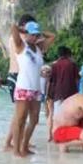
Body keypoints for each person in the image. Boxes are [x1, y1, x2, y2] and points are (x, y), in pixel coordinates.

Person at [9, 20, 54, 157]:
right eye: (32, 35)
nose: (35, 37)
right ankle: (16, 150)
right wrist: (23, 30)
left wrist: (39, 32)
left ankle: (24, 146)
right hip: (23, 87)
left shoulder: (39, 48)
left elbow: (52, 36)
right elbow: (13, 28)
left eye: (36, 35)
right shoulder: (21, 46)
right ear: (26, 34)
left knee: (34, 120)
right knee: (20, 119)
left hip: (36, 89)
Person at [48, 46, 80, 140]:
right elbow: (77, 79)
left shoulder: (54, 65)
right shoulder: (72, 64)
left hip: (57, 94)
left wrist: (49, 95)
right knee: (70, 117)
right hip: (70, 94)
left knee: (57, 117)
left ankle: (55, 137)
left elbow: (51, 81)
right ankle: (67, 137)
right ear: (68, 54)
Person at [5, 14, 36, 102]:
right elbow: (14, 27)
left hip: (18, 76)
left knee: (22, 111)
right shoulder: (20, 39)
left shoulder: (20, 38)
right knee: (20, 112)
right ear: (23, 26)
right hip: (17, 75)